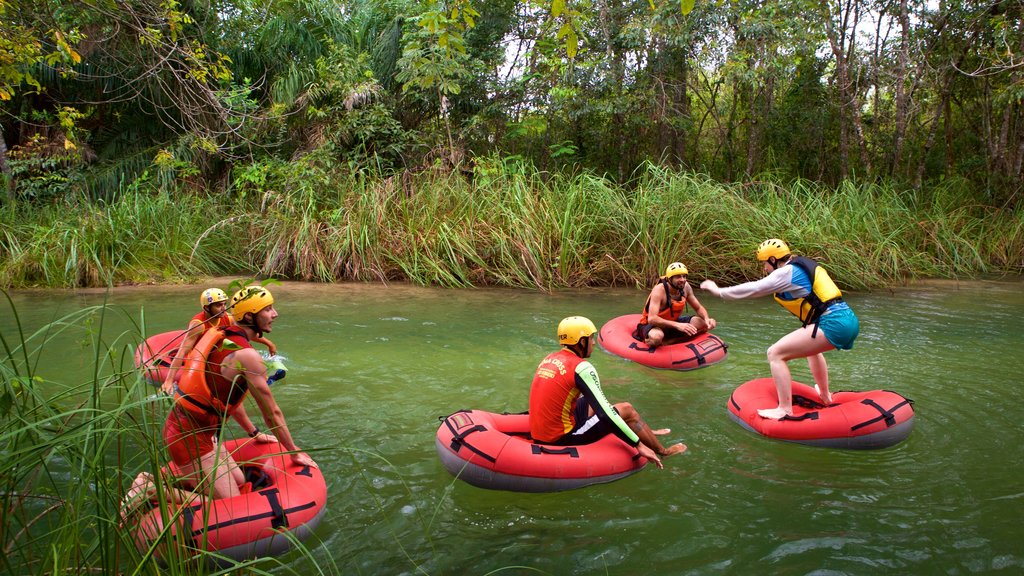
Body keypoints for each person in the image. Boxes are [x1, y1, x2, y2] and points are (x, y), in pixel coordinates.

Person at [162, 286, 316, 500]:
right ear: (250, 316)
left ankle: (185, 481)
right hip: (190, 438)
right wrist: (293, 451)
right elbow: (272, 413)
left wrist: (254, 432)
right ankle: (150, 488)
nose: (275, 314)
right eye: (268, 309)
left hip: (200, 432)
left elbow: (227, 400)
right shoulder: (248, 357)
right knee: (231, 503)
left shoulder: (227, 336)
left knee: (241, 481)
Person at [700, 239, 859, 420]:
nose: (764, 268)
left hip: (833, 323)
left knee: (775, 353)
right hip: (848, 320)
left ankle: (785, 409)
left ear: (774, 260)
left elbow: (755, 288)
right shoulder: (799, 266)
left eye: (765, 263)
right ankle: (825, 395)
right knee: (812, 351)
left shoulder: (786, 272)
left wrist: (719, 291)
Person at [529, 316, 687, 468]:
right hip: (563, 438)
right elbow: (605, 414)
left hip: (543, 431)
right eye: (591, 338)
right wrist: (637, 444)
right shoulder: (581, 367)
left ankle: (644, 430)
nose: (593, 343)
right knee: (626, 409)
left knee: (591, 401)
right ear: (582, 341)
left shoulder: (550, 358)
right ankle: (663, 451)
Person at [161, 287, 277, 394]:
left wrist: (269, 344)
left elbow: (247, 332)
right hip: (202, 359)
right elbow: (182, 351)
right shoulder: (198, 325)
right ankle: (258, 382)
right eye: (218, 305)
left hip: (218, 354)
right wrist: (169, 381)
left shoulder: (228, 318)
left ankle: (261, 380)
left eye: (224, 304)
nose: (223, 308)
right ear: (207, 308)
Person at [633, 262, 717, 348]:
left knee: (703, 324)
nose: (682, 279)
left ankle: (669, 341)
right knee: (656, 337)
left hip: (672, 322)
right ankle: (652, 340)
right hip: (651, 325)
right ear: (669, 279)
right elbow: (652, 319)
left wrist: (707, 319)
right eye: (678, 277)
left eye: (684, 276)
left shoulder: (686, 287)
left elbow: (698, 308)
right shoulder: (659, 290)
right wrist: (678, 325)